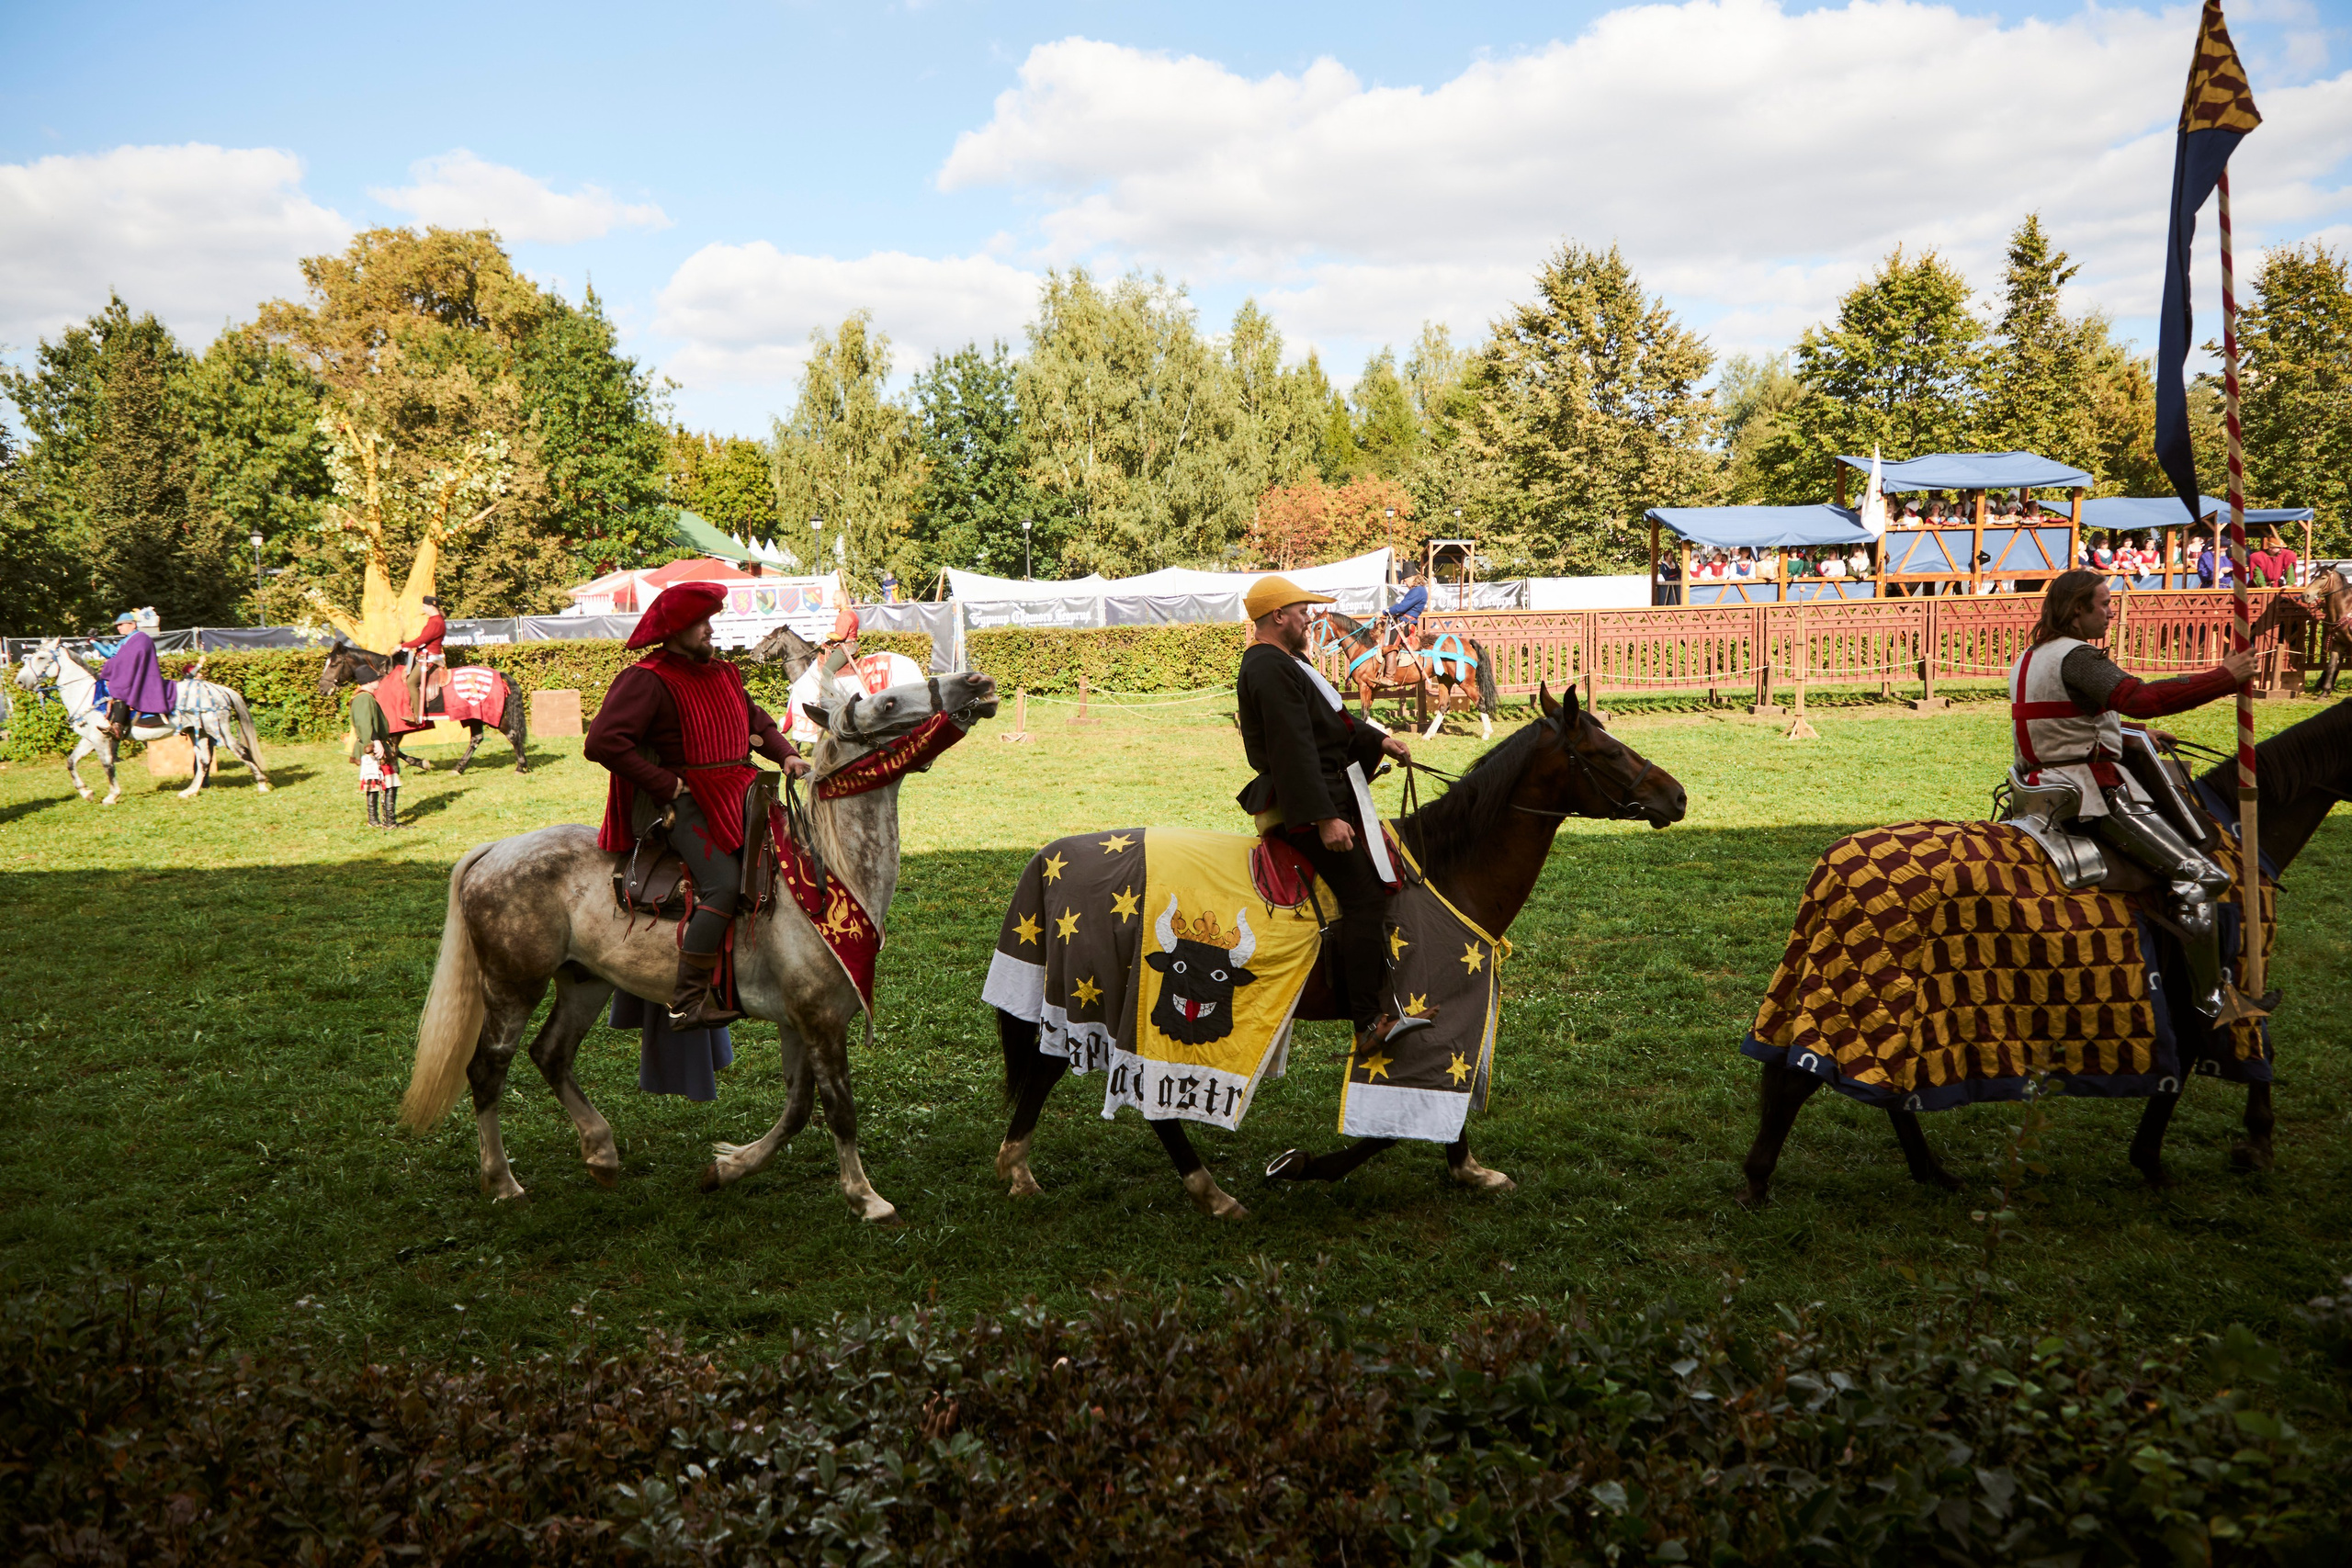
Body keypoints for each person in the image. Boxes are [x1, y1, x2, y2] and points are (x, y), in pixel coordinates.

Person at [2007, 570, 2259, 1018]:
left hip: (2039, 789)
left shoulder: (2034, 655)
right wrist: (2225, 676)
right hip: (2085, 793)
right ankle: (2212, 1004)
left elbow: (2062, 721)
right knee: (2204, 877)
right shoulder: (2078, 656)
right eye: (2103, 603)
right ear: (2076, 610)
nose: (2110, 611)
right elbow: (2140, 698)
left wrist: (2129, 733)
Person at [586, 581, 813, 1027]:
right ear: (674, 629)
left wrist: (785, 753)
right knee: (723, 886)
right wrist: (665, 784)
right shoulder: (647, 678)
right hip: (689, 803)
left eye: (711, 620)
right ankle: (686, 1003)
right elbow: (603, 742)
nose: (711, 629)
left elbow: (757, 722)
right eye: (701, 623)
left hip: (747, 792)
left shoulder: (725, 673)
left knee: (793, 861)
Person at [1233, 575, 1420, 1057]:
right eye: (1301, 611)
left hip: (1326, 795)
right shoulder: (1268, 667)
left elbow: (1333, 722)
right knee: (1364, 898)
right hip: (1304, 806)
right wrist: (1322, 818)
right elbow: (1292, 749)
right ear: (1278, 617)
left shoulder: (1289, 662)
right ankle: (1368, 1023)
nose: (1308, 618)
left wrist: (1378, 739)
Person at [98, 609, 175, 736]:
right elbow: (117, 657)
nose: (119, 628)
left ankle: (118, 726)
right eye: (118, 625)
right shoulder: (128, 640)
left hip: (143, 678)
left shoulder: (141, 638)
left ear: (133, 625)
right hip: (133, 674)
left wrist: (113, 666)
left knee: (118, 687)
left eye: (122, 624)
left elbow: (129, 659)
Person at [401, 595, 447, 716]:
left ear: (431, 607)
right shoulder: (434, 620)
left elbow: (422, 640)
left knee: (411, 682)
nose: (422, 609)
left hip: (429, 659)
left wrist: (402, 646)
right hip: (426, 657)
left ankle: (417, 716)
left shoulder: (436, 622)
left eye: (424, 606)